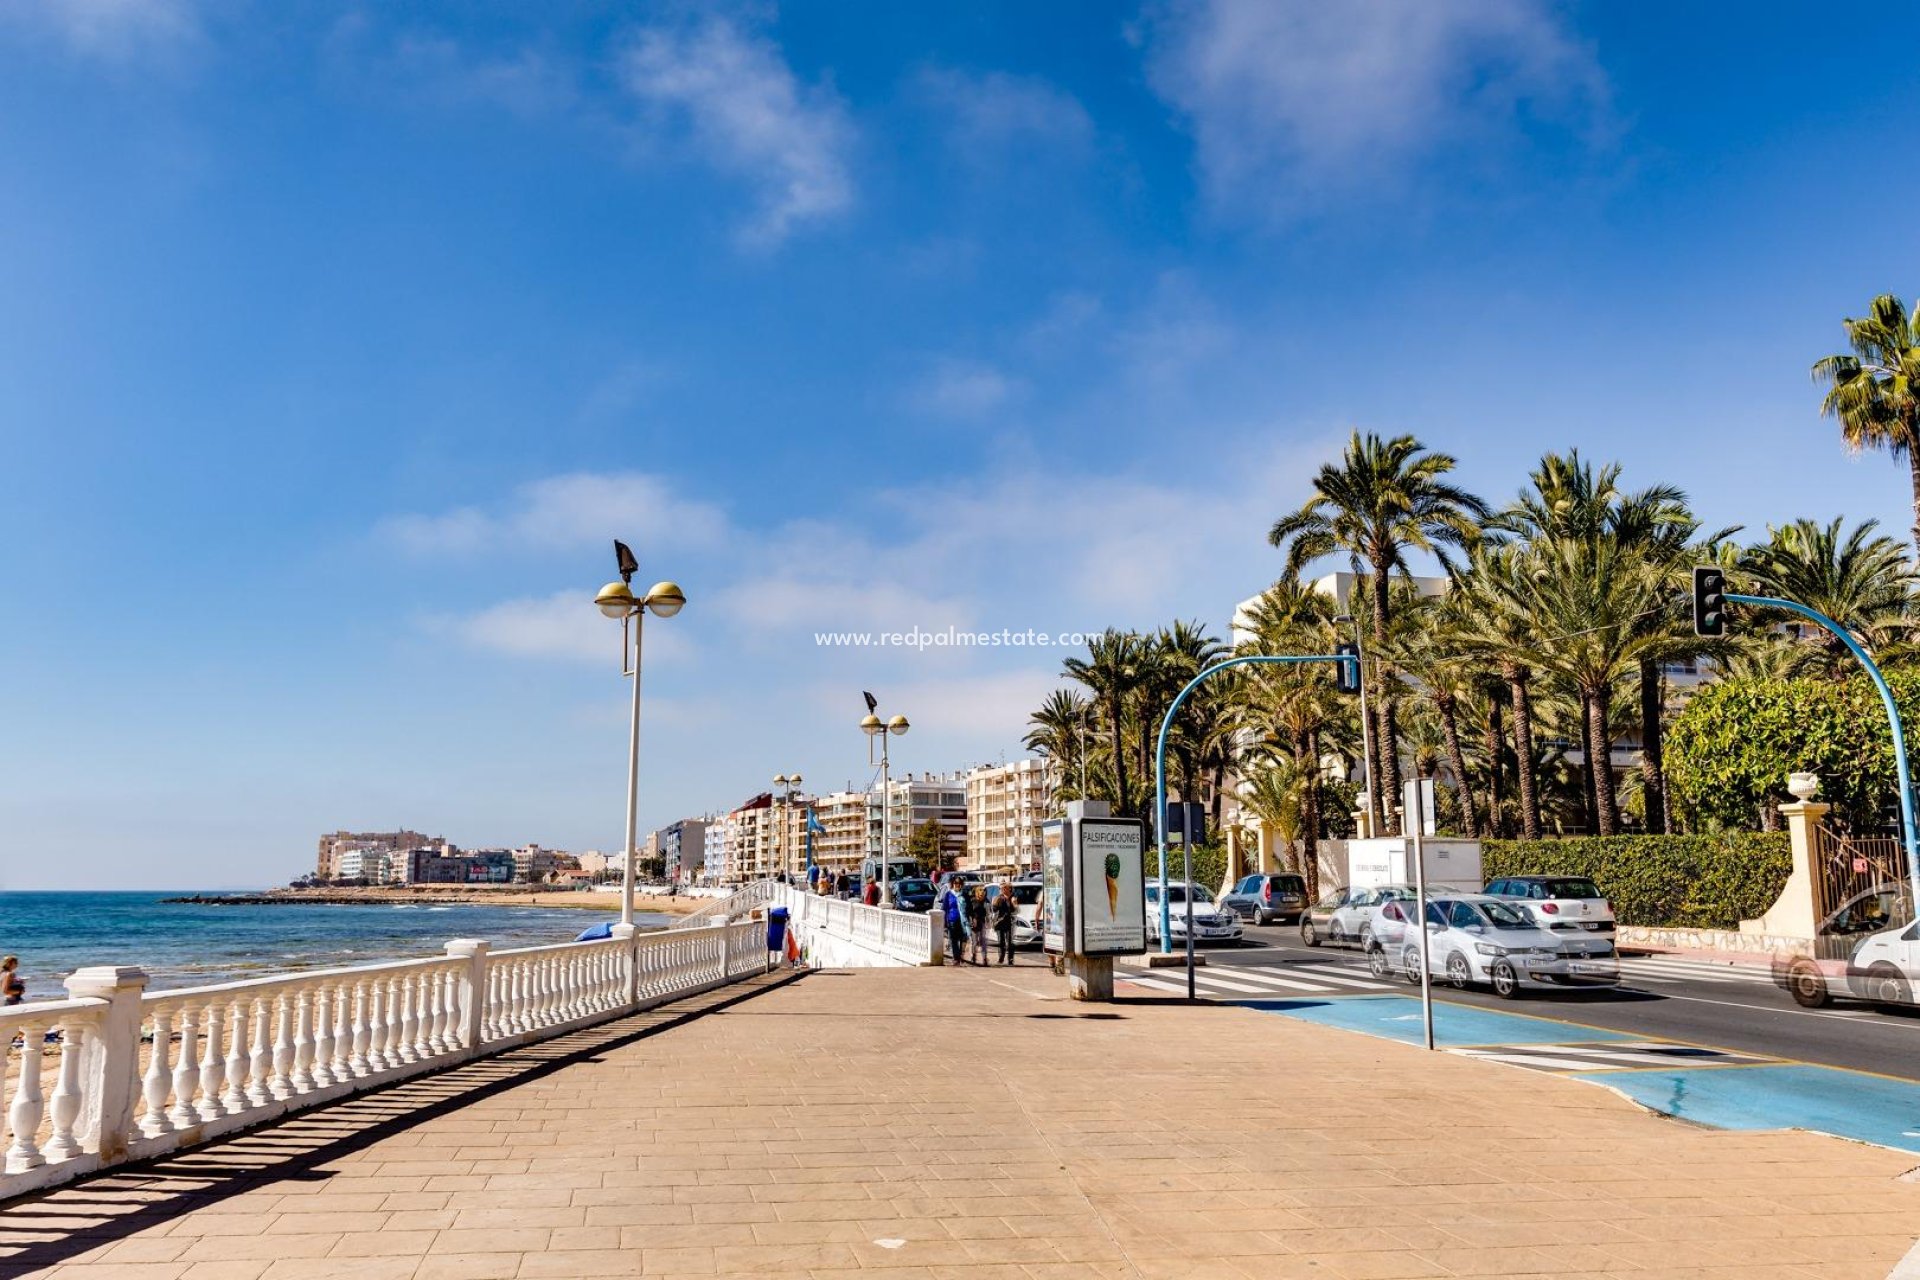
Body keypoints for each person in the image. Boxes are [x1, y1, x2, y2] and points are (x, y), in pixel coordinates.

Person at [940, 881, 968, 962]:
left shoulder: (964, 894)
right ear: (953, 884)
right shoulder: (948, 894)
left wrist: (971, 917)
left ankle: (960, 955)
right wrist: (944, 921)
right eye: (955, 883)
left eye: (959, 883)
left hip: (963, 920)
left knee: (963, 938)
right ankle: (956, 958)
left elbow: (969, 906)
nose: (957, 884)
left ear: (961, 885)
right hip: (952, 919)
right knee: (953, 939)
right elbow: (944, 908)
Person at [990, 881, 1017, 966]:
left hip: (1010, 922)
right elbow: (994, 910)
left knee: (1010, 942)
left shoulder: (1013, 898)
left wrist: (1014, 904)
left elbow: (1016, 911)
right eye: (1001, 888)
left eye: (1005, 888)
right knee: (1001, 942)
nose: (1002, 890)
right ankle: (1001, 958)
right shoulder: (998, 898)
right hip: (1000, 922)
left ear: (1009, 889)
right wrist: (994, 903)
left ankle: (1010, 959)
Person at [966, 886, 989, 966]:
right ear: (976, 894)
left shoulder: (986, 902)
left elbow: (988, 913)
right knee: (974, 941)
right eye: (980, 894)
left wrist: (988, 922)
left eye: (983, 894)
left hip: (982, 922)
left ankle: (985, 958)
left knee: (983, 941)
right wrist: (971, 920)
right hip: (974, 922)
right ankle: (973, 956)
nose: (981, 896)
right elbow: (968, 912)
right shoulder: (972, 901)